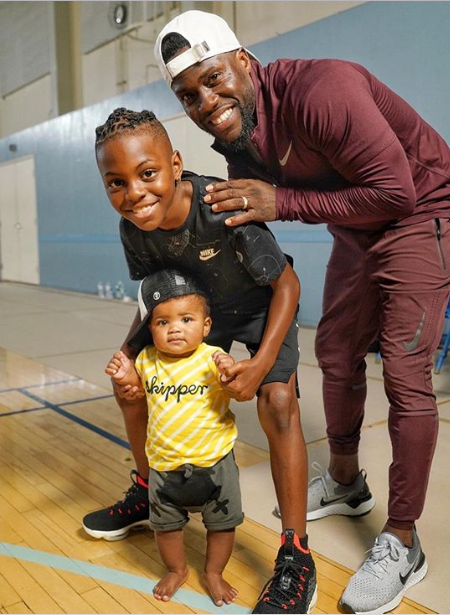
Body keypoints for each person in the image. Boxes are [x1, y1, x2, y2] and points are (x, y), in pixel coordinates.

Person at [153, 10, 450, 614]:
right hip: (359, 222)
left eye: (214, 78)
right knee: (334, 351)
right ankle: (348, 483)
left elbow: (396, 190)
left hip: (421, 208)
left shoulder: (320, 89)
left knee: (405, 373)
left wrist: (284, 200)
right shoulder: (237, 142)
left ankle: (403, 540)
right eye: (188, 94)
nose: (206, 100)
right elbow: (254, 232)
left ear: (243, 61)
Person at [84, 107, 317, 615]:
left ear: (175, 164)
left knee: (277, 400)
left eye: (147, 174)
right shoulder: (134, 231)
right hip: (199, 312)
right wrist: (126, 358)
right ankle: (149, 490)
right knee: (132, 383)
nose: (134, 193)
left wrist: (260, 366)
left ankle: (296, 554)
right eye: (116, 183)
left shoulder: (218, 204)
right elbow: (156, 304)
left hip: (260, 307)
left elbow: (287, 284)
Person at [106, 269, 242, 605]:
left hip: (215, 463)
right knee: (165, 527)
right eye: (163, 323)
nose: (175, 328)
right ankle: (177, 569)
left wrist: (230, 374)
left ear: (205, 326)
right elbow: (136, 393)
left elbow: (240, 391)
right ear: (150, 329)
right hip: (165, 466)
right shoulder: (149, 360)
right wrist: (127, 377)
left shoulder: (213, 358)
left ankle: (213, 572)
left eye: (185, 319)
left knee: (222, 525)